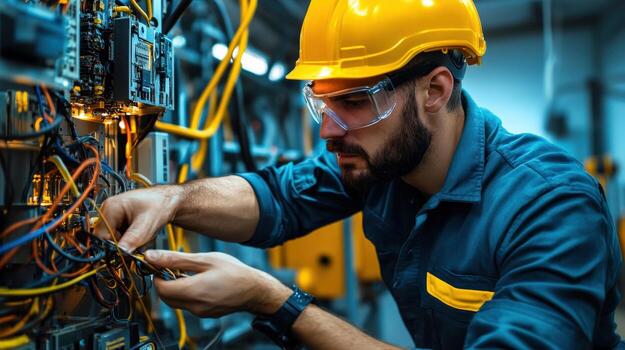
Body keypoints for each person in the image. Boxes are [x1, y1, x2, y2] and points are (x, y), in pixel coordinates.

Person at [96, 0, 624, 348]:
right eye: (321, 102)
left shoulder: (550, 207)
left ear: (435, 91)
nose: (328, 130)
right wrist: (170, 200)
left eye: (353, 101)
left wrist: (275, 301)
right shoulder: (384, 163)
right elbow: (279, 198)